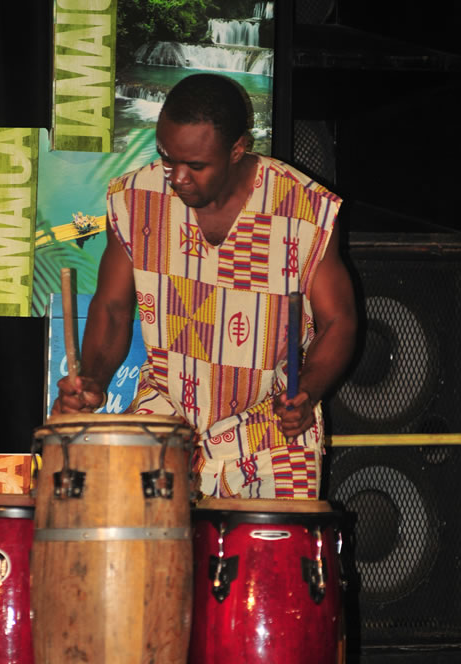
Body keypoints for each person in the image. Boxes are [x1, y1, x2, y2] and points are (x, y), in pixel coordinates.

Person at [54, 73, 356, 500]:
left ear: (237, 149)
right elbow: (113, 309)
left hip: (272, 430)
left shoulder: (304, 209)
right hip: (166, 421)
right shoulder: (137, 198)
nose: (177, 177)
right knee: (144, 542)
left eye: (195, 165)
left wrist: (308, 390)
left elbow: (339, 320)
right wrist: (93, 380)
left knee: (276, 547)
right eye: (167, 158)